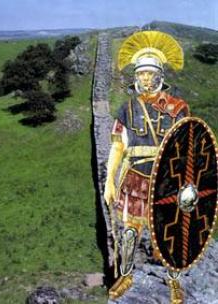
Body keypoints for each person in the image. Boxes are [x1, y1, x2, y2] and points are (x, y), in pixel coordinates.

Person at [104, 30, 190, 302]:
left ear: (160, 76)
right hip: (135, 177)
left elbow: (188, 146)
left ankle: (174, 280)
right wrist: (109, 180)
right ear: (135, 77)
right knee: (130, 232)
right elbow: (118, 146)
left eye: (150, 74)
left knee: (170, 232)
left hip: (167, 178)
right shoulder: (126, 109)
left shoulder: (178, 108)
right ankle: (126, 276)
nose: (145, 79)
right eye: (141, 74)